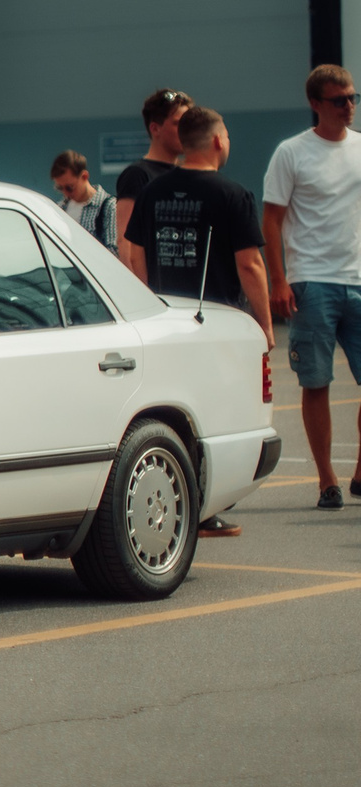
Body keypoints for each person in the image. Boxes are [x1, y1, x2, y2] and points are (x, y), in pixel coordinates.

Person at [123, 106, 271, 539]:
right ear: (218, 141)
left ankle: (186, 503)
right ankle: (206, 506)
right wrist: (263, 325)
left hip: (166, 318)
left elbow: (134, 254)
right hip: (217, 323)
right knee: (219, 419)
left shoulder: (153, 191)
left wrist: (148, 304)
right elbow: (251, 266)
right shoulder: (233, 194)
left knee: (175, 414)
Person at [263, 64, 361, 509]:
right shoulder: (292, 153)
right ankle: (327, 479)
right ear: (316, 104)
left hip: (358, 280)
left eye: (353, 98)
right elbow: (272, 220)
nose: (349, 106)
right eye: (339, 99)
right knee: (316, 383)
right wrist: (279, 280)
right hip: (312, 281)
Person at [114, 88, 193, 247]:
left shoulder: (187, 174)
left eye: (188, 123)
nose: (186, 130)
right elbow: (125, 240)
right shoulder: (137, 175)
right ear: (155, 128)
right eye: (178, 123)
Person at [50, 151, 118, 250]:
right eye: (60, 188)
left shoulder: (108, 206)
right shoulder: (60, 208)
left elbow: (114, 252)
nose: (66, 193)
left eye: (70, 187)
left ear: (84, 176)